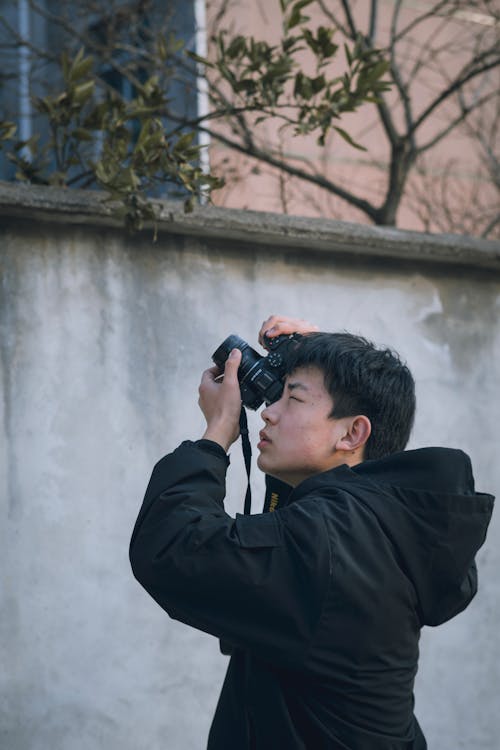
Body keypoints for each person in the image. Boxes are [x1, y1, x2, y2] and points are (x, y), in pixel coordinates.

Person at [129, 314, 494, 750]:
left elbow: (171, 549)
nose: (268, 411)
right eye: (276, 393)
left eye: (293, 399)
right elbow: (288, 516)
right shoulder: (374, 527)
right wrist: (318, 354)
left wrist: (216, 434)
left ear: (352, 432)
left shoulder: (328, 540)